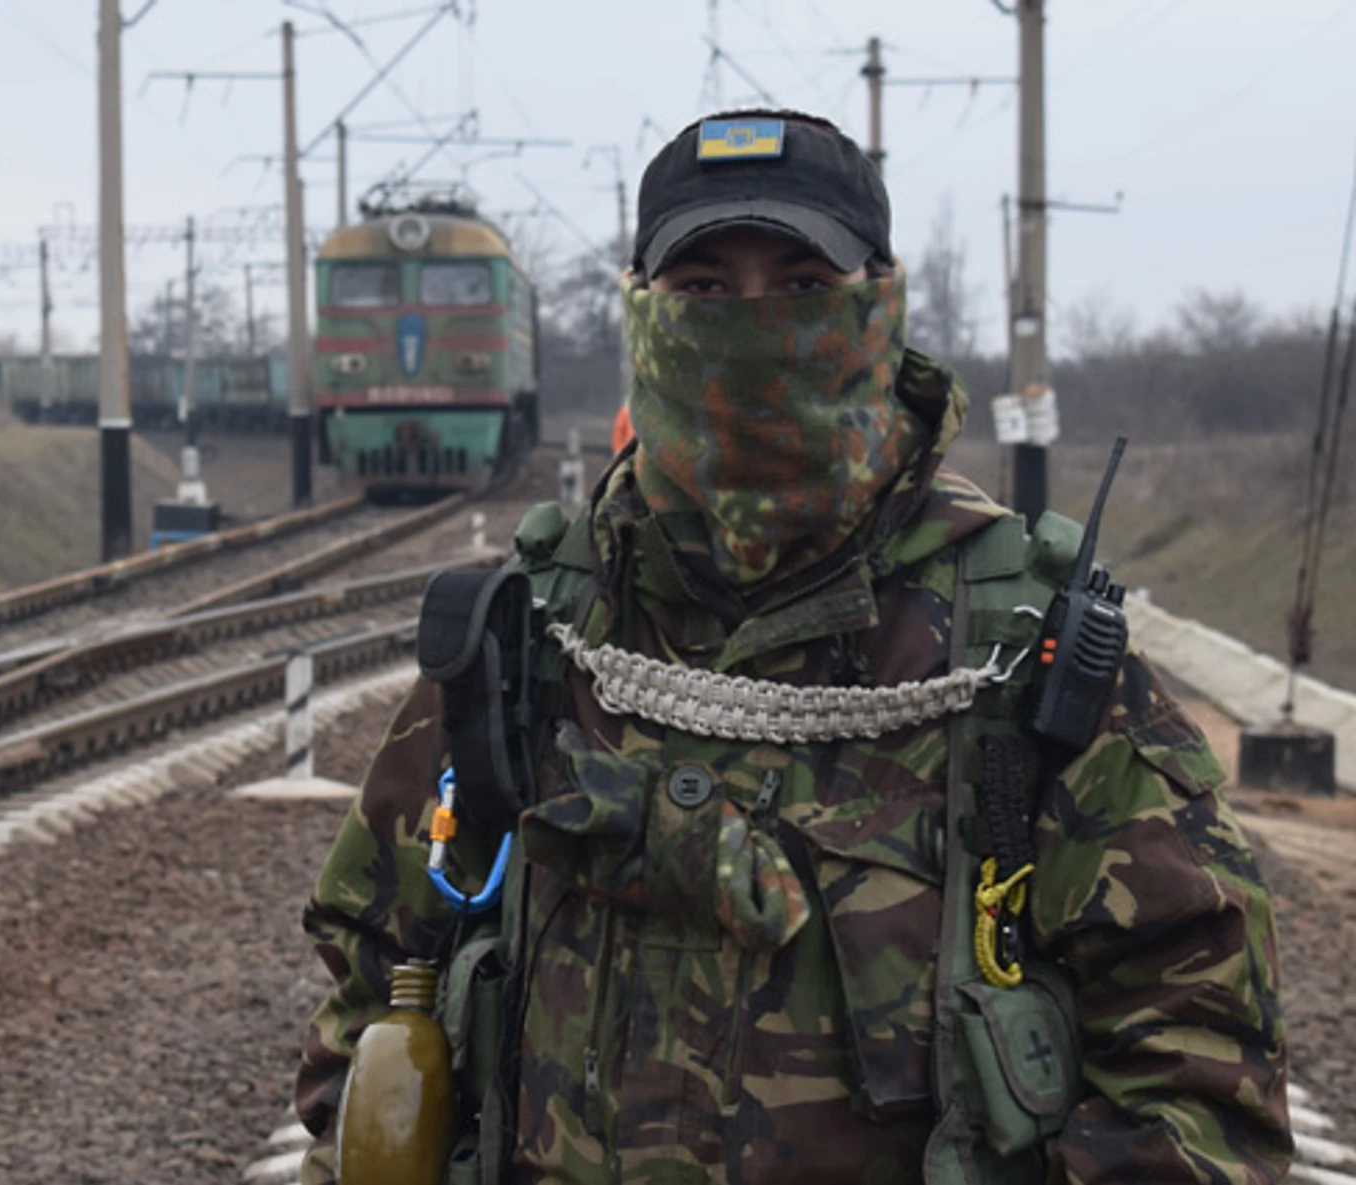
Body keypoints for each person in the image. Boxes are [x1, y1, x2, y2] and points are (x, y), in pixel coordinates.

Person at [296, 110, 1290, 1185]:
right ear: (644, 312)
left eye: (803, 284)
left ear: (879, 307)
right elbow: (372, 991)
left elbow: (1198, 1072)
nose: (751, 322)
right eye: (705, 291)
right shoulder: (533, 634)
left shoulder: (1020, 651)